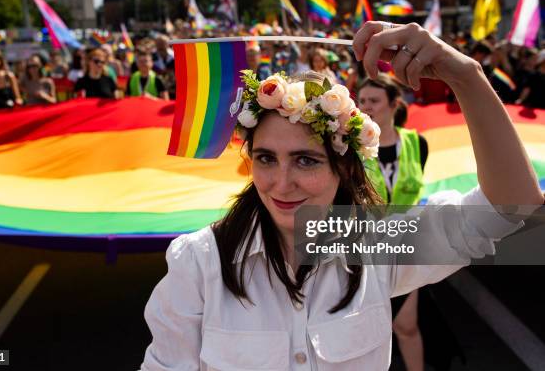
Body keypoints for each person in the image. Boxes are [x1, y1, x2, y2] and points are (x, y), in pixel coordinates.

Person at [139, 21, 543, 370]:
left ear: (344, 167)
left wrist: (466, 75)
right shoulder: (198, 263)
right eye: (266, 158)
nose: (281, 183)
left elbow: (508, 206)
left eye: (306, 161)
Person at [358, 74, 428, 371]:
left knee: (406, 327)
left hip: (404, 250)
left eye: (374, 101)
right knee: (362, 334)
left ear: (394, 104)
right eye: (361, 101)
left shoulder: (417, 143)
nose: (366, 107)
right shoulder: (350, 147)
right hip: (363, 253)